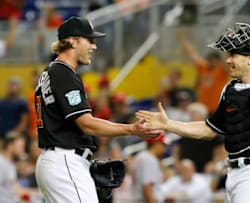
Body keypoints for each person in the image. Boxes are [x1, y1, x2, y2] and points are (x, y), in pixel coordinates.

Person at [137, 23, 250, 202]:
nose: (227, 60)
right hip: (232, 173)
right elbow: (209, 129)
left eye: (233, 54)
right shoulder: (230, 90)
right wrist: (168, 124)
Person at [34, 16, 160, 203]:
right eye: (89, 40)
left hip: (58, 160)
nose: (94, 46)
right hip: (65, 161)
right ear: (72, 41)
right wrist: (131, 129)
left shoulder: (51, 72)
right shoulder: (63, 73)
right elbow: (87, 124)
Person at [132, 133, 168, 203]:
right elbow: (147, 187)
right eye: (163, 144)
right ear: (155, 143)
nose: (164, 148)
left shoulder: (141, 156)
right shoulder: (149, 159)